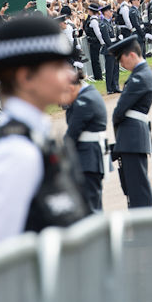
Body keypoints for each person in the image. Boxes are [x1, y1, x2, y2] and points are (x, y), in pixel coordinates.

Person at [0, 12, 88, 248]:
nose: (70, 74)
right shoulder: (16, 152)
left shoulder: (35, 137)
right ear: (25, 77)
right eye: (57, 66)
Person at [108, 34, 152, 208]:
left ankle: (144, 226)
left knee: (137, 187)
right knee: (135, 186)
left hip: (132, 138)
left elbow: (119, 111)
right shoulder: (141, 75)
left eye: (122, 60)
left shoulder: (139, 77)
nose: (122, 65)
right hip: (133, 137)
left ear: (132, 55)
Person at [64, 64, 108, 213]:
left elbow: (71, 134)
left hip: (88, 158)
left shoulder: (85, 100)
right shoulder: (89, 94)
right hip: (90, 156)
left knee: (91, 208)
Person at [98, 4, 120, 94]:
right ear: (106, 12)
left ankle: (115, 86)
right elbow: (107, 39)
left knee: (116, 68)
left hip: (113, 47)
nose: (111, 13)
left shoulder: (109, 23)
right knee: (110, 69)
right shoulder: (103, 24)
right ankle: (109, 88)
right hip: (109, 49)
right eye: (110, 11)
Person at [85, 2, 104, 82]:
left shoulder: (93, 21)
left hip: (95, 42)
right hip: (95, 42)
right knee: (95, 60)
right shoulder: (95, 19)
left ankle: (98, 76)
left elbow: (98, 33)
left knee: (95, 60)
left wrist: (102, 42)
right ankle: (98, 76)